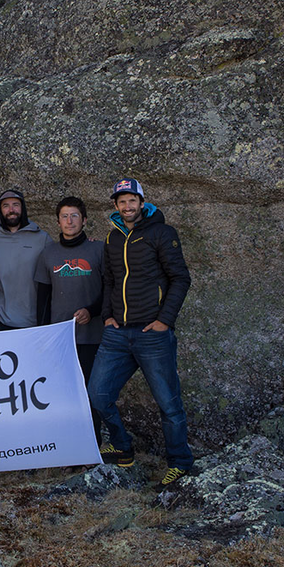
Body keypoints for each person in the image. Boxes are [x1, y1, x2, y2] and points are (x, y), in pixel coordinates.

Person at [87, 178, 194, 486]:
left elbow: (180, 278)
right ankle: (122, 445)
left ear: (142, 202)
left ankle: (181, 463)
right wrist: (107, 316)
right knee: (97, 395)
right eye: (121, 201)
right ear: (116, 205)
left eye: (132, 200)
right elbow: (109, 280)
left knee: (169, 403)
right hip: (118, 334)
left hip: (153, 334)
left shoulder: (162, 233)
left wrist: (165, 321)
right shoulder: (112, 238)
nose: (127, 206)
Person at [35, 196, 105, 443]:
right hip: (60, 340)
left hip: (93, 336)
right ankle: (67, 445)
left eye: (74, 215)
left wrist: (92, 310)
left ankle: (92, 445)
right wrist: (43, 337)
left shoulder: (99, 249)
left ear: (84, 220)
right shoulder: (48, 254)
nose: (69, 221)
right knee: (64, 395)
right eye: (64, 216)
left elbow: (111, 290)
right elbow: (43, 300)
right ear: (57, 221)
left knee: (91, 394)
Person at [0, 189, 53, 329]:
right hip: (2, 322)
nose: (11, 209)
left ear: (23, 208)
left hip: (36, 323)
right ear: (0, 210)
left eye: (15, 204)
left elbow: (61, 260)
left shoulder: (42, 238)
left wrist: (86, 243)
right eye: (5, 206)